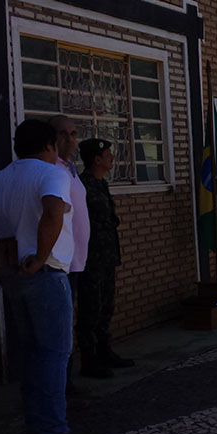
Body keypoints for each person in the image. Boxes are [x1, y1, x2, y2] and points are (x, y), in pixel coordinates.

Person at [0, 120, 81, 434]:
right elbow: (53, 211)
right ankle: (53, 429)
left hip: (12, 274)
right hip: (45, 273)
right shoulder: (51, 173)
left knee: (30, 353)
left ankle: (35, 423)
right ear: (49, 145)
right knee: (54, 353)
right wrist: (41, 256)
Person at [77, 138, 134, 378]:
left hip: (106, 256)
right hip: (90, 259)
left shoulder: (101, 184)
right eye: (108, 154)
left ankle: (104, 352)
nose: (112, 157)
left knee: (106, 306)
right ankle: (89, 360)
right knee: (90, 309)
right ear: (96, 159)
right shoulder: (82, 185)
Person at [48, 115, 90, 383]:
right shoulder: (52, 171)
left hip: (78, 260)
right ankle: (62, 383)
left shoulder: (70, 168)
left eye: (73, 134)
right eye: (63, 134)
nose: (70, 139)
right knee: (61, 327)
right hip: (61, 263)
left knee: (71, 320)